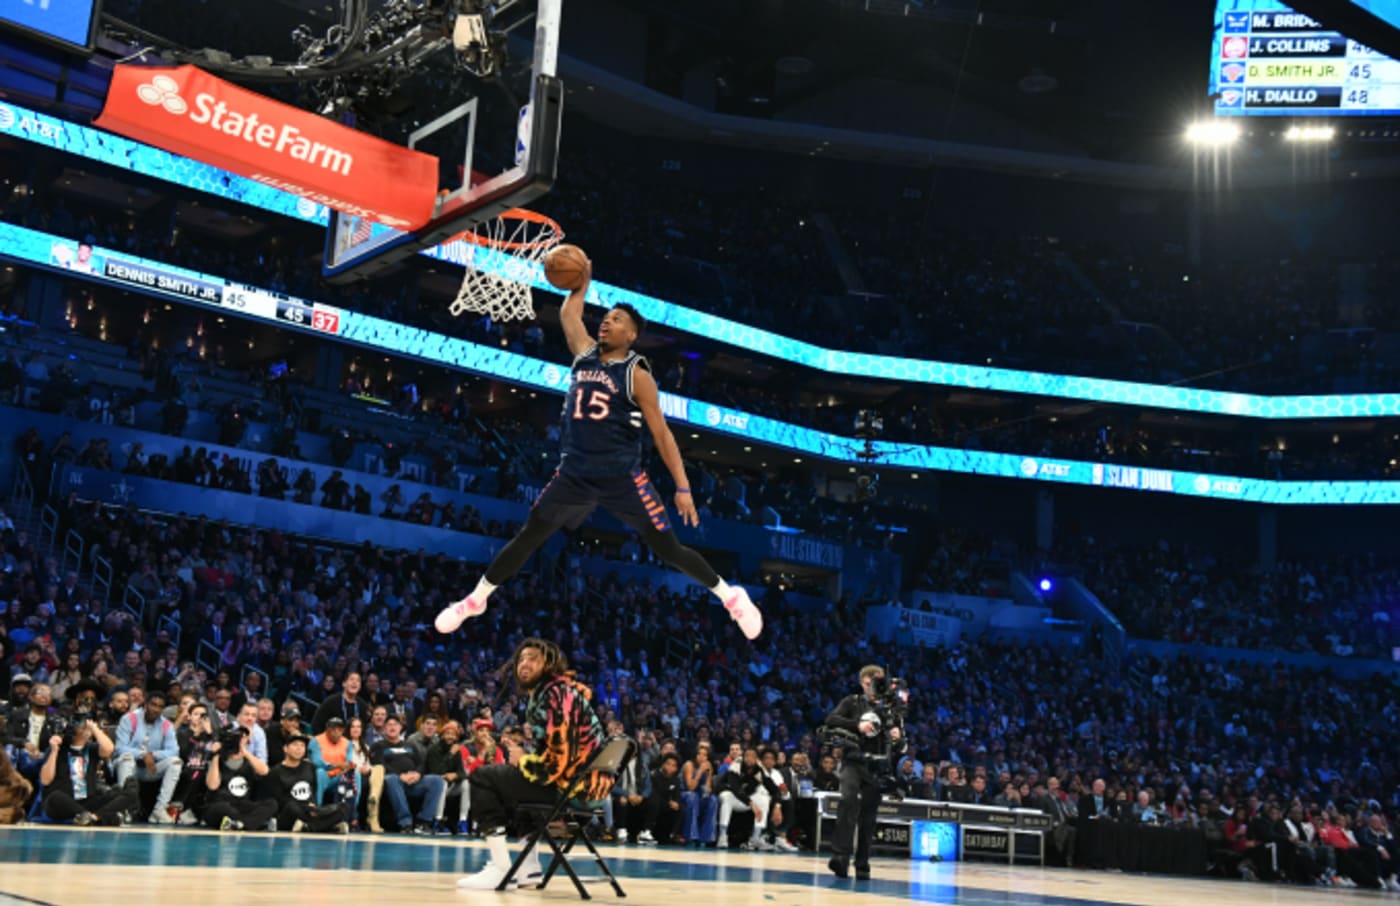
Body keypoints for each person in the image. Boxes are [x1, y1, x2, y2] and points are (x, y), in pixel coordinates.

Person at [435, 262, 762, 641]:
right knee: (530, 535)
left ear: (632, 334)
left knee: (668, 548)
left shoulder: (637, 375)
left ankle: (730, 597)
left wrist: (683, 487)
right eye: (605, 318)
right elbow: (568, 315)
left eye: (616, 319)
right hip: (574, 473)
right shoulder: (584, 355)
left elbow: (662, 434)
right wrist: (581, 284)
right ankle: (475, 601)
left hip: (622, 477)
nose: (606, 323)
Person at [454, 638, 613, 890]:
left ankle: (501, 868)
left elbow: (555, 764)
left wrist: (525, 760)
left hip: (573, 789)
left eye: (533, 658)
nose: (524, 663)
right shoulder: (556, 692)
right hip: (584, 787)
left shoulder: (556, 695)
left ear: (549, 665)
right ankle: (528, 868)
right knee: (516, 782)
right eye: (521, 659)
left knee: (483, 776)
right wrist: (524, 762)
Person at [823, 665, 906, 881]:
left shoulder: (890, 707)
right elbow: (831, 720)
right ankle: (840, 857)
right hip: (853, 761)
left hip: (878, 766)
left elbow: (901, 743)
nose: (874, 688)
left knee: (869, 815)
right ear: (863, 683)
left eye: (879, 683)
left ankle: (862, 863)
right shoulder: (853, 702)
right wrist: (858, 725)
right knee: (848, 800)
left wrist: (897, 736)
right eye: (870, 684)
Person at [39, 719, 134, 826]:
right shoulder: (57, 749)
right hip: (63, 801)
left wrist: (94, 728)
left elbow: (109, 749)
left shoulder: (92, 749)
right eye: (81, 725)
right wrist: (54, 751)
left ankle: (92, 817)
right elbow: (45, 780)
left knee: (127, 793)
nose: (84, 727)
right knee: (55, 797)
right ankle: (98, 817)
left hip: (86, 800)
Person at [113, 689, 183, 824]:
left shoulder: (166, 725)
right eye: (153, 705)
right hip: (127, 766)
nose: (156, 709)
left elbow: (174, 751)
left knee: (176, 762)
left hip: (149, 769)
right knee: (126, 757)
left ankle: (159, 809)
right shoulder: (129, 719)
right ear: (145, 704)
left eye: (160, 707)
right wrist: (142, 755)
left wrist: (153, 755)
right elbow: (120, 748)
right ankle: (123, 808)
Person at [268, 732, 349, 834]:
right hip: (290, 813)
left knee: (343, 807)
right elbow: (278, 801)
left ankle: (308, 827)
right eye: (295, 745)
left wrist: (313, 807)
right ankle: (328, 827)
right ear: (285, 748)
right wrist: (306, 808)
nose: (299, 748)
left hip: (310, 811)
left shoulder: (309, 767)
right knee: (292, 807)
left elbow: (313, 791)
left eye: (302, 745)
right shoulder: (276, 772)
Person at [203, 724, 276, 831]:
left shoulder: (249, 760)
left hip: (241, 804)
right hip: (219, 803)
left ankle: (239, 824)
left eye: (244, 738)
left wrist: (245, 752)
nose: (241, 741)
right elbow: (213, 786)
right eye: (238, 738)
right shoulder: (218, 759)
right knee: (223, 808)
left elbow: (264, 771)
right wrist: (216, 755)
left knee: (271, 804)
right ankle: (252, 823)